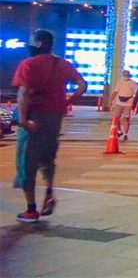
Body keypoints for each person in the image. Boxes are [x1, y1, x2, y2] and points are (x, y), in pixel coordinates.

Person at [12, 30, 87, 223]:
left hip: (34, 118)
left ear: (38, 44)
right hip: (55, 118)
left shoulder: (29, 64)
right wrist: (68, 101)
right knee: (48, 157)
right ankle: (49, 193)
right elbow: (82, 84)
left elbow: (24, 92)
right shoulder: (61, 63)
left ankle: (31, 209)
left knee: (26, 161)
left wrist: (22, 119)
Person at [112, 69, 137, 141]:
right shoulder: (119, 82)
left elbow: (136, 93)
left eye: (127, 75)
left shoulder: (133, 83)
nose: (126, 76)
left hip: (128, 103)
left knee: (126, 118)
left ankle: (125, 134)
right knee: (116, 118)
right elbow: (115, 91)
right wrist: (111, 100)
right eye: (125, 74)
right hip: (119, 102)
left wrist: (135, 103)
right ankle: (119, 131)